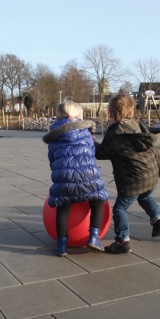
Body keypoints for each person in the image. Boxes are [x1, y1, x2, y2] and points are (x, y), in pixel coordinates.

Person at [95, 94, 160, 254]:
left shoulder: (115, 133)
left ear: (111, 114)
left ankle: (123, 240)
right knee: (146, 196)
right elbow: (153, 149)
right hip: (151, 175)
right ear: (133, 112)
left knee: (120, 209)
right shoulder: (140, 126)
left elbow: (101, 153)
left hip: (132, 180)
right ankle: (158, 220)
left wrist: (93, 143)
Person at [43, 100, 109, 257]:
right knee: (97, 201)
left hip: (65, 177)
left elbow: (52, 160)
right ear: (79, 115)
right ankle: (93, 237)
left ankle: (62, 246)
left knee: (63, 208)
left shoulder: (54, 137)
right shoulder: (87, 132)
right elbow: (92, 154)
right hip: (88, 175)